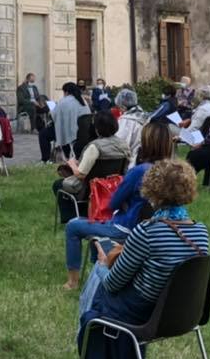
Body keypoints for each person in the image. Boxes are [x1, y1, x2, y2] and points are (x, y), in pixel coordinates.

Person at [76, 160, 210, 359]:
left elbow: (114, 285)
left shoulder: (146, 231)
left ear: (151, 191)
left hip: (143, 314)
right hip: (183, 313)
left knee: (97, 281)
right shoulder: (200, 232)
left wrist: (104, 264)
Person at [62, 122, 171, 289]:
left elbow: (114, 203)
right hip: (160, 230)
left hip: (127, 228)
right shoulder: (173, 172)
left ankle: (73, 282)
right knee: (97, 227)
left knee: (73, 226)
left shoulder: (140, 171)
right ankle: (97, 267)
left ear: (146, 143)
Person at [53, 110, 129, 221]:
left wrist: (72, 164)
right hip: (114, 187)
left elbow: (80, 175)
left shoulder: (94, 147)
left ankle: (72, 219)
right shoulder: (123, 145)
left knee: (57, 184)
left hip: (90, 189)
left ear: (97, 128)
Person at [50, 82, 86, 160]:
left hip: (70, 131)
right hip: (84, 131)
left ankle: (45, 158)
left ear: (66, 92)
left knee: (43, 135)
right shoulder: (82, 100)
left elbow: (54, 115)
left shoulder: (63, 101)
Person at [115, 89, 146, 157]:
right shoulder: (143, 116)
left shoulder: (125, 121)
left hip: (131, 160)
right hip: (144, 157)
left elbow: (120, 143)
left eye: (119, 107)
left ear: (123, 106)